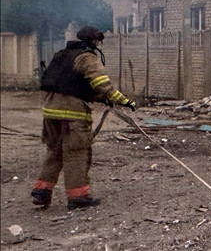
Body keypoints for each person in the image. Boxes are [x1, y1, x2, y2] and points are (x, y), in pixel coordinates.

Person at [31, 26, 136, 210]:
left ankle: (42, 192)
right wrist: (125, 101)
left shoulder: (61, 55)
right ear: (94, 41)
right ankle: (78, 197)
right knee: (76, 153)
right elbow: (103, 86)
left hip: (50, 111)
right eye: (98, 40)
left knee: (55, 151)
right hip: (72, 114)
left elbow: (71, 84)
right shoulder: (87, 58)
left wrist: (98, 98)